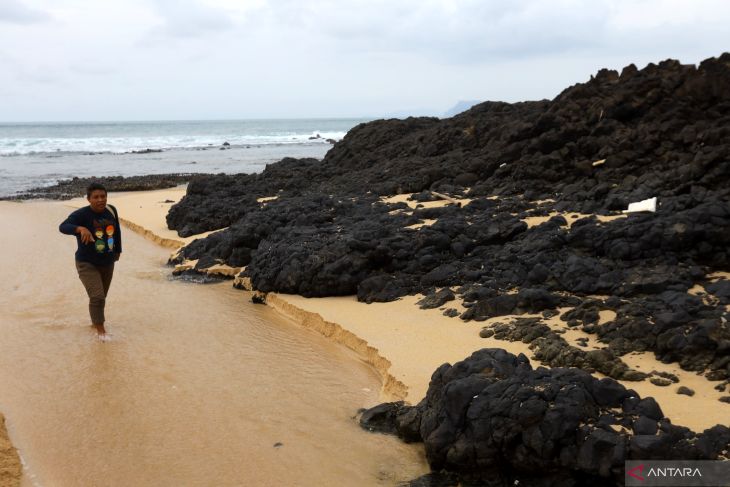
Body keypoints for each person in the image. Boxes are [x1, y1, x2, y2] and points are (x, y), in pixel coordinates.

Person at [59, 183, 122, 340]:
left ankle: (95, 323)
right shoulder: (81, 215)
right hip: (86, 263)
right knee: (97, 296)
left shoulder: (111, 210)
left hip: (107, 262)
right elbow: (63, 226)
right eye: (96, 197)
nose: (100, 200)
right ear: (88, 199)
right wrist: (80, 229)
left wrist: (118, 250)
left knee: (101, 297)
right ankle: (101, 332)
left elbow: (117, 231)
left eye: (103, 196)